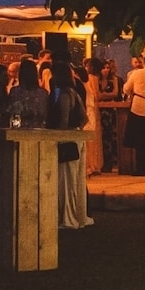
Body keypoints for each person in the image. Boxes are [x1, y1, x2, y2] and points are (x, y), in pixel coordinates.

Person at [49, 62, 93, 229]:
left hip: (67, 138)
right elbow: (84, 118)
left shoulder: (64, 95)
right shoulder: (75, 92)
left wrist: (60, 134)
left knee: (66, 179)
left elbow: (64, 119)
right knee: (76, 179)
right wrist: (78, 131)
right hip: (76, 138)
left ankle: (68, 218)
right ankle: (78, 214)